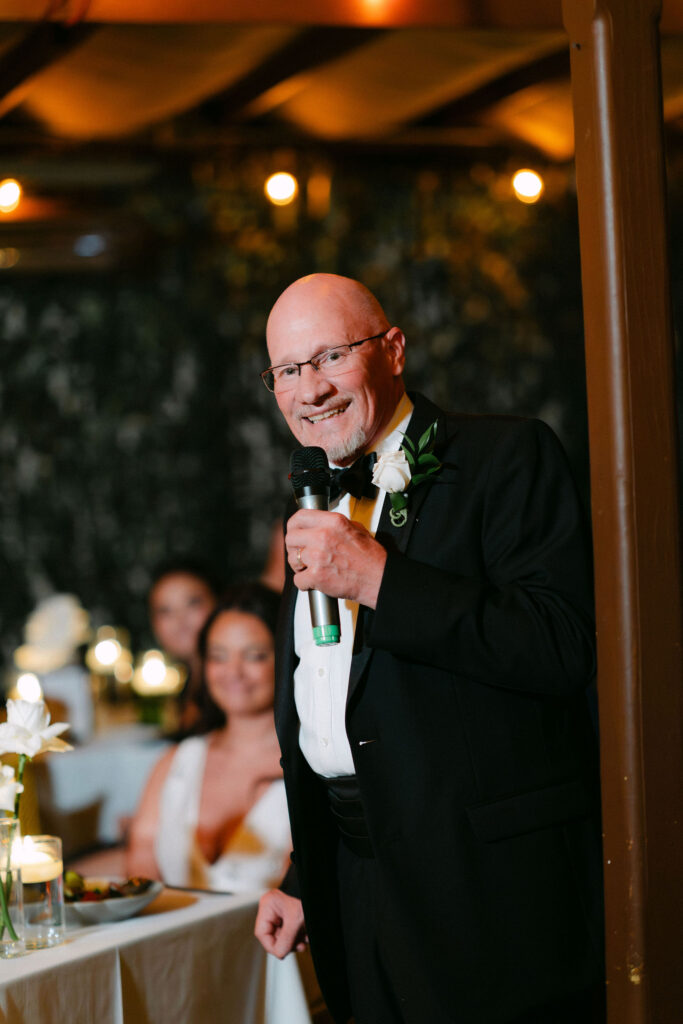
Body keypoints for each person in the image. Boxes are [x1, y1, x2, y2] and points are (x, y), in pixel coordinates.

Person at [254, 273, 605, 1024]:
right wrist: (305, 878)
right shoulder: (314, 498)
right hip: (357, 885)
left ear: (393, 349)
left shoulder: (506, 456)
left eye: (329, 358)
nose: (309, 390)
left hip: (489, 897)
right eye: (287, 370)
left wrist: (383, 580)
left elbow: (560, 646)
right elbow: (333, 709)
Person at [127, 583, 292, 892]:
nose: (233, 672)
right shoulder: (177, 761)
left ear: (284, 658)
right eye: (219, 656)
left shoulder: (308, 766)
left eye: (254, 656)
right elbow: (141, 860)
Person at [147, 557, 220, 731]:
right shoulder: (189, 686)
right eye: (165, 611)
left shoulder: (229, 683)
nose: (180, 621)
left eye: (193, 603)